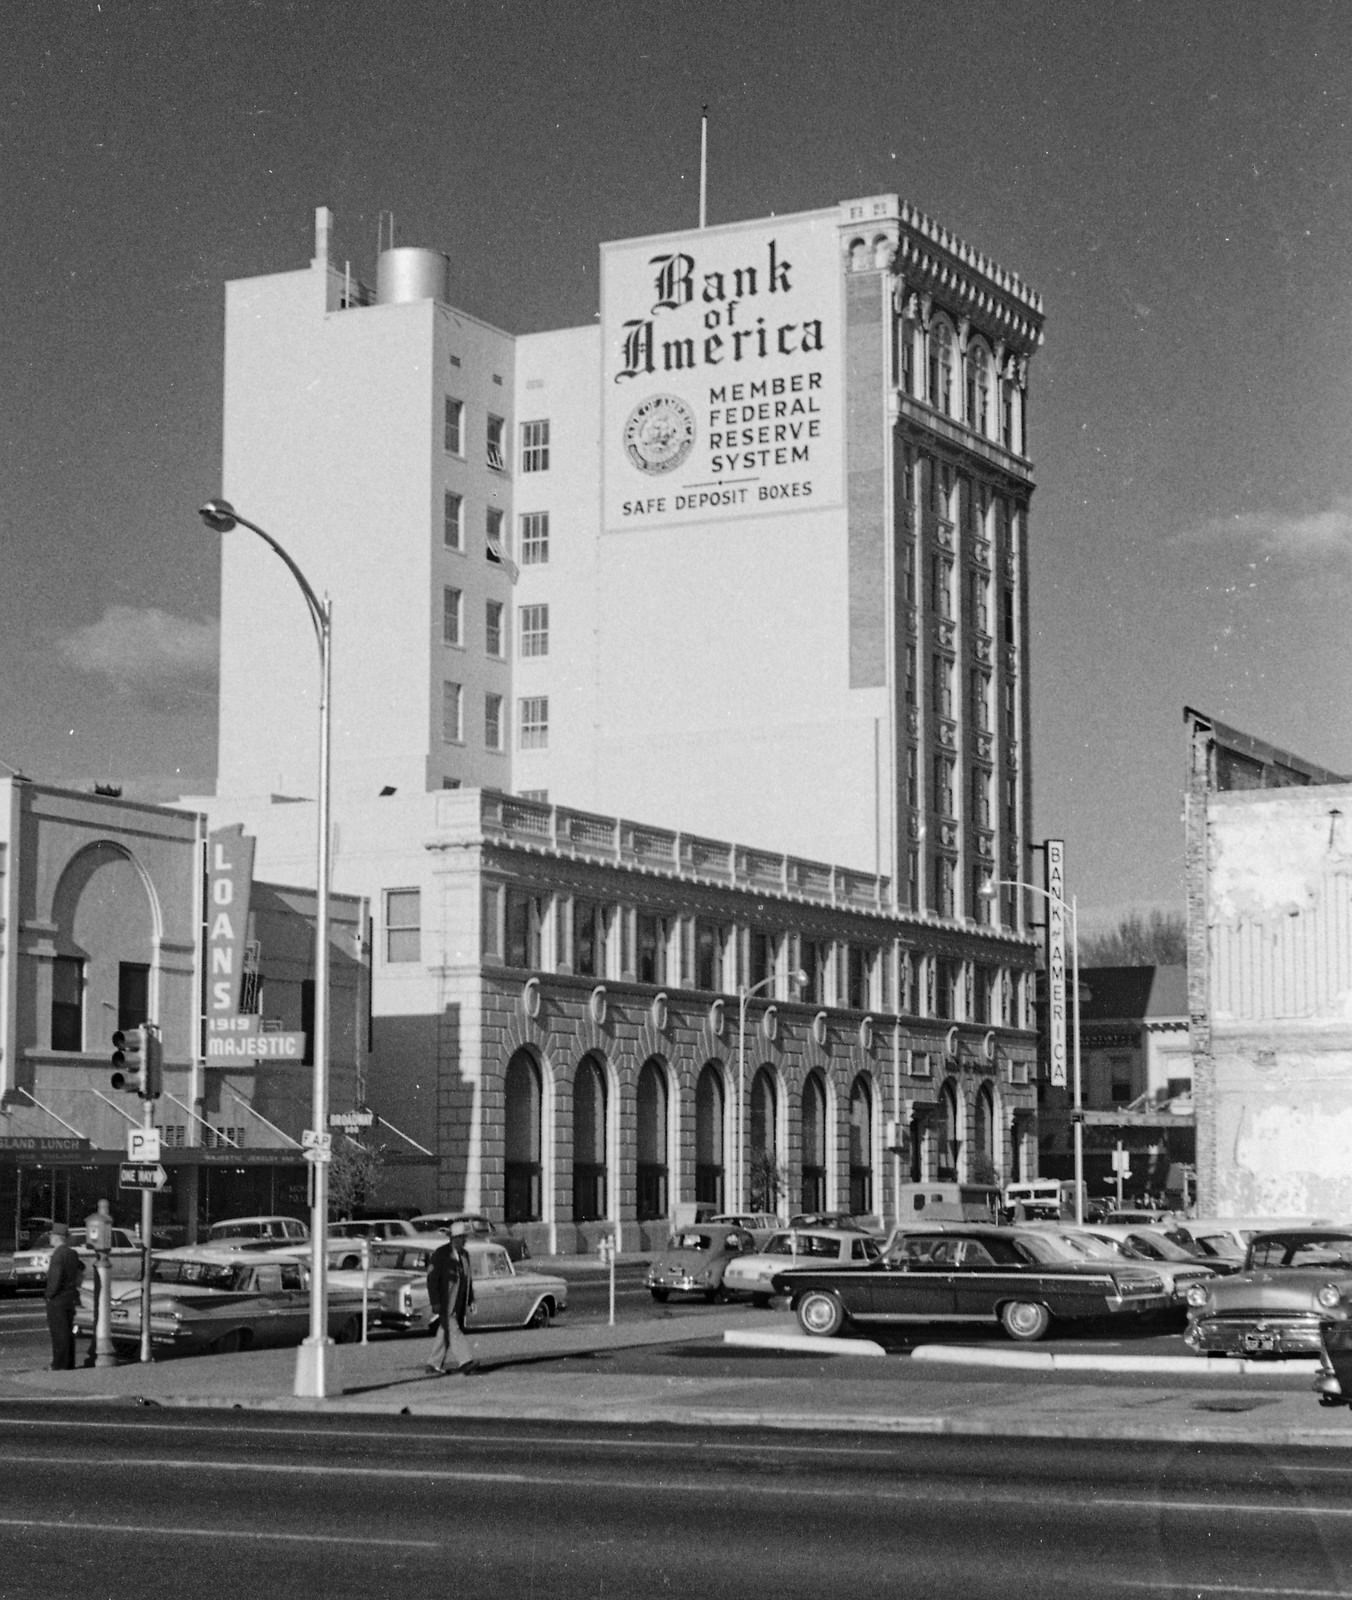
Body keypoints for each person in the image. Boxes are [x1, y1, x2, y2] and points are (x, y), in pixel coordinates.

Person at [425, 1220, 477, 1375]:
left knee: (445, 1332)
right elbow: (432, 1279)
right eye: (462, 1237)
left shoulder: (465, 1255)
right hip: (445, 1302)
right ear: (454, 1238)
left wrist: (471, 1299)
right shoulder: (441, 1254)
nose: (465, 1240)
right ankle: (465, 1361)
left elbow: (467, 1279)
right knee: (453, 1330)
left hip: (458, 1303)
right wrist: (435, 1301)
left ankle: (433, 1364)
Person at [44, 1223, 84, 1371]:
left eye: (51, 1236)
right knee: (67, 1331)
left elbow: (55, 1278)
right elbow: (81, 1267)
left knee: (58, 1333)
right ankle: (69, 1363)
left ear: (56, 1237)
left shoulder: (57, 1255)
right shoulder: (72, 1253)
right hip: (69, 1297)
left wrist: (49, 1295)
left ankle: (59, 1364)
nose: (50, 1238)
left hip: (58, 1299)